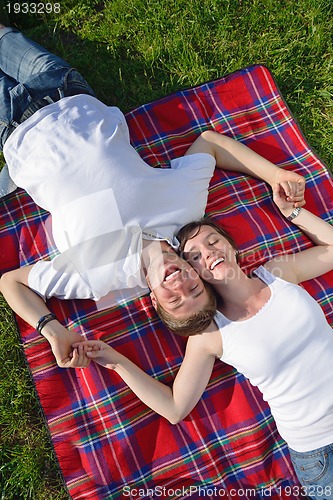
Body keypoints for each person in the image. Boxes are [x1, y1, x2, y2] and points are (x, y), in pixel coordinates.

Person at [0, 26, 305, 368]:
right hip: (65, 92)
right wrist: (274, 174)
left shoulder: (96, 279)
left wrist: (51, 330)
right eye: (195, 289)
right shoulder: (184, 211)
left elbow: (11, 282)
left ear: (156, 302)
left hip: (13, 131)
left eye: (175, 300)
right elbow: (210, 143)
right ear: (197, 273)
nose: (179, 285)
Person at [72, 184, 333, 497]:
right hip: (320, 448)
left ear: (231, 247)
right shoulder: (211, 334)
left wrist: (292, 212)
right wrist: (115, 361)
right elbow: (174, 407)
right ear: (190, 272)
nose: (209, 252)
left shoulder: (277, 273)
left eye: (214, 241)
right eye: (194, 255)